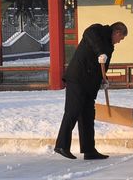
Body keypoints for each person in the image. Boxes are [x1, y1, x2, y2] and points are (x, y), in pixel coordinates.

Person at [54, 21, 128, 160]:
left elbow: (103, 66)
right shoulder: (98, 30)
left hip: (90, 84)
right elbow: (89, 34)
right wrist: (100, 52)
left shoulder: (110, 47)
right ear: (117, 32)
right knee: (73, 110)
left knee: (88, 116)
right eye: (121, 38)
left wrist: (103, 80)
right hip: (77, 78)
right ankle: (61, 145)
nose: (119, 41)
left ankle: (89, 150)